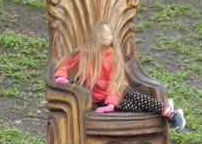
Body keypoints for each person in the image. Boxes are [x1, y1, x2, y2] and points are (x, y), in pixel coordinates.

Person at [54, 21, 185, 132]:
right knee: (136, 108)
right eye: (103, 33)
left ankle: (172, 114)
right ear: (95, 35)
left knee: (138, 99)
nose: (106, 36)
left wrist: (111, 104)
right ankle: (165, 106)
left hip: (118, 89)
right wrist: (61, 76)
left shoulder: (112, 56)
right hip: (102, 99)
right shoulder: (84, 53)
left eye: (109, 34)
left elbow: (114, 81)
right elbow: (66, 63)